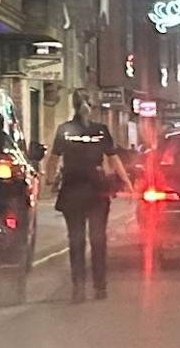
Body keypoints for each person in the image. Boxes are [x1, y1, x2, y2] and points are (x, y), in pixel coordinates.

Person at [44, 89, 133, 303]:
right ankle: (100, 287)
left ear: (73, 106)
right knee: (98, 239)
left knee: (76, 240)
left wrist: (48, 179)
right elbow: (113, 159)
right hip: (96, 190)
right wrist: (127, 182)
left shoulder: (64, 130)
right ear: (90, 107)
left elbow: (53, 160)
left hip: (72, 190)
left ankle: (78, 288)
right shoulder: (101, 131)